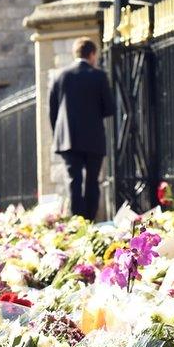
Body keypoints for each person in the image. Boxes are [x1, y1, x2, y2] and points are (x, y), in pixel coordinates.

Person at [49, 37, 116, 221]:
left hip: (67, 139)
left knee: (74, 181)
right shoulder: (99, 76)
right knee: (92, 181)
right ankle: (90, 219)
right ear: (92, 54)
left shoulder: (60, 76)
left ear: (75, 53)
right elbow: (109, 108)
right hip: (93, 137)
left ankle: (78, 221)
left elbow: (53, 110)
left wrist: (59, 133)